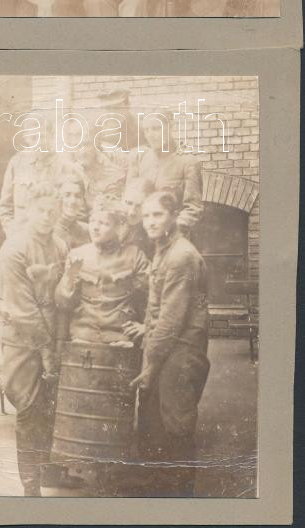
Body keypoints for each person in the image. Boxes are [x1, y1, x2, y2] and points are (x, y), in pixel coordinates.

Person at [126, 191, 210, 496]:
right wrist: (146, 327)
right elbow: (160, 308)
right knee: (153, 420)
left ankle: (181, 496)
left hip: (181, 352)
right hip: (167, 347)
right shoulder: (164, 249)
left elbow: (172, 321)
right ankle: (159, 487)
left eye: (158, 215)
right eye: (146, 215)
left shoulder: (180, 256)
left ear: (174, 216)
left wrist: (150, 365)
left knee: (176, 423)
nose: (150, 221)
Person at [0, 183, 68, 496]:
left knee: (50, 409)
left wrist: (58, 344)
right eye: (41, 210)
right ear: (28, 210)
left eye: (52, 211)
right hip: (23, 342)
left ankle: (49, 474)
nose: (47, 216)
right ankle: (30, 488)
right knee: (28, 410)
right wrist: (48, 353)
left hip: (52, 336)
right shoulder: (14, 249)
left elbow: (61, 297)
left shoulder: (60, 245)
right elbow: (23, 310)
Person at [55, 198, 149, 345]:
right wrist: (69, 277)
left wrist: (147, 327)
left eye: (104, 223)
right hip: (82, 340)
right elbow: (62, 305)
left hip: (120, 340)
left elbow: (156, 295)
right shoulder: (77, 254)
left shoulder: (134, 255)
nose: (95, 228)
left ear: (118, 227)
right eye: (92, 221)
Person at [126, 111, 203, 233]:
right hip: (141, 232)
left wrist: (169, 231)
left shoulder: (187, 162)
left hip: (172, 233)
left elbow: (193, 208)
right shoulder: (139, 157)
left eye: (156, 128)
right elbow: (128, 200)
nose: (150, 135)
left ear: (170, 127)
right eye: (146, 130)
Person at [53, 175, 90, 249]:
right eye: (67, 195)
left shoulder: (88, 231)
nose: (73, 201)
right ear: (57, 198)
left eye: (78, 196)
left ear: (83, 200)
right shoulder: (48, 230)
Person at [119, 178, 148, 251]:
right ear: (122, 198)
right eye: (129, 203)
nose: (132, 212)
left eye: (139, 206)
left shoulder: (149, 236)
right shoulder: (111, 219)